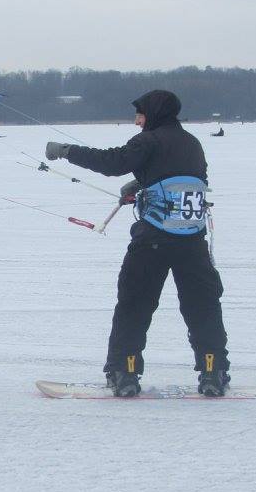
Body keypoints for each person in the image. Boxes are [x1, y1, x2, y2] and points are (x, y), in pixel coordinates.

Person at [44, 90, 230, 397]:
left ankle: (124, 372)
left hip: (153, 240)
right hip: (192, 241)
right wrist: (143, 183)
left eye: (140, 114)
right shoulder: (191, 142)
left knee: (135, 305)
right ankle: (213, 371)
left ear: (154, 113)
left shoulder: (149, 140)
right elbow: (188, 175)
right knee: (202, 307)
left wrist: (67, 151)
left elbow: (113, 162)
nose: (136, 120)